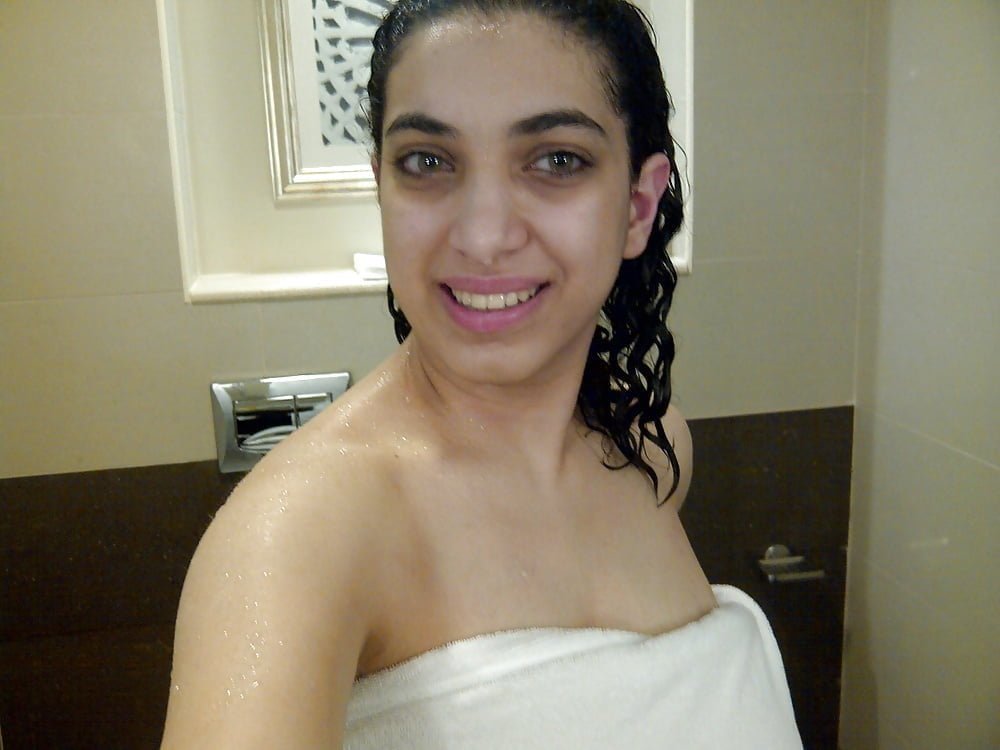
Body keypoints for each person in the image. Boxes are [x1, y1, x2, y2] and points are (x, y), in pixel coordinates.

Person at [161, 1, 801, 747]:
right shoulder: (301, 537)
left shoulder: (654, 451)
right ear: (383, 188)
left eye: (556, 160)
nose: (484, 236)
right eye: (427, 162)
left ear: (637, 206)